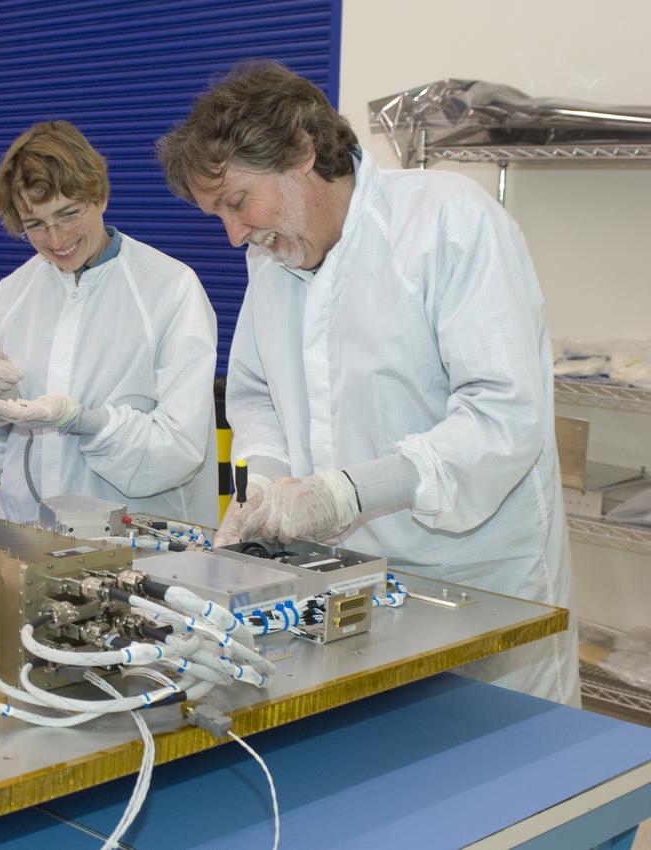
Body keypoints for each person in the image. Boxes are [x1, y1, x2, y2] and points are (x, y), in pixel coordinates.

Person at [156, 61, 578, 704]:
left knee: (503, 776)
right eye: (219, 215)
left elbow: (503, 417)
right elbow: (256, 394)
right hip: (355, 584)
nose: (235, 234)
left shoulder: (446, 223)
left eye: (237, 202)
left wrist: (343, 495)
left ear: (300, 152)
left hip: (482, 583)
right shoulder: (272, 260)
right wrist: (264, 482)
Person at [0, 120, 218, 528]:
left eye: (68, 214)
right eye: (36, 225)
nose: (57, 239)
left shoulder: (169, 289)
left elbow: (180, 449)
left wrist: (89, 424)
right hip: (28, 531)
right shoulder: (9, 297)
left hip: (139, 543)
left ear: (101, 197)